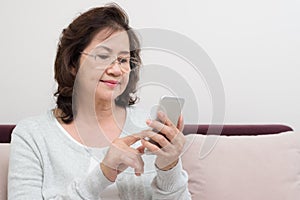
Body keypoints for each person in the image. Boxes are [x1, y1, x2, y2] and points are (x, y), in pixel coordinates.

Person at [8, 3, 191, 200]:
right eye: (103, 56)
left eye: (123, 60)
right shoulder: (32, 136)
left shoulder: (149, 127)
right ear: (72, 64)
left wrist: (169, 167)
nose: (116, 70)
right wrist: (103, 173)